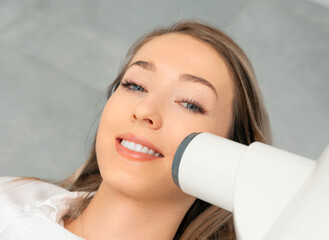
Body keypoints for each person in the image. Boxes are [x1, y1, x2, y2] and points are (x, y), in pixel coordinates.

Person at [0, 20, 271, 240]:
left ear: (231, 151)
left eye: (189, 104)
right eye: (135, 85)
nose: (145, 111)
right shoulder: (8, 200)